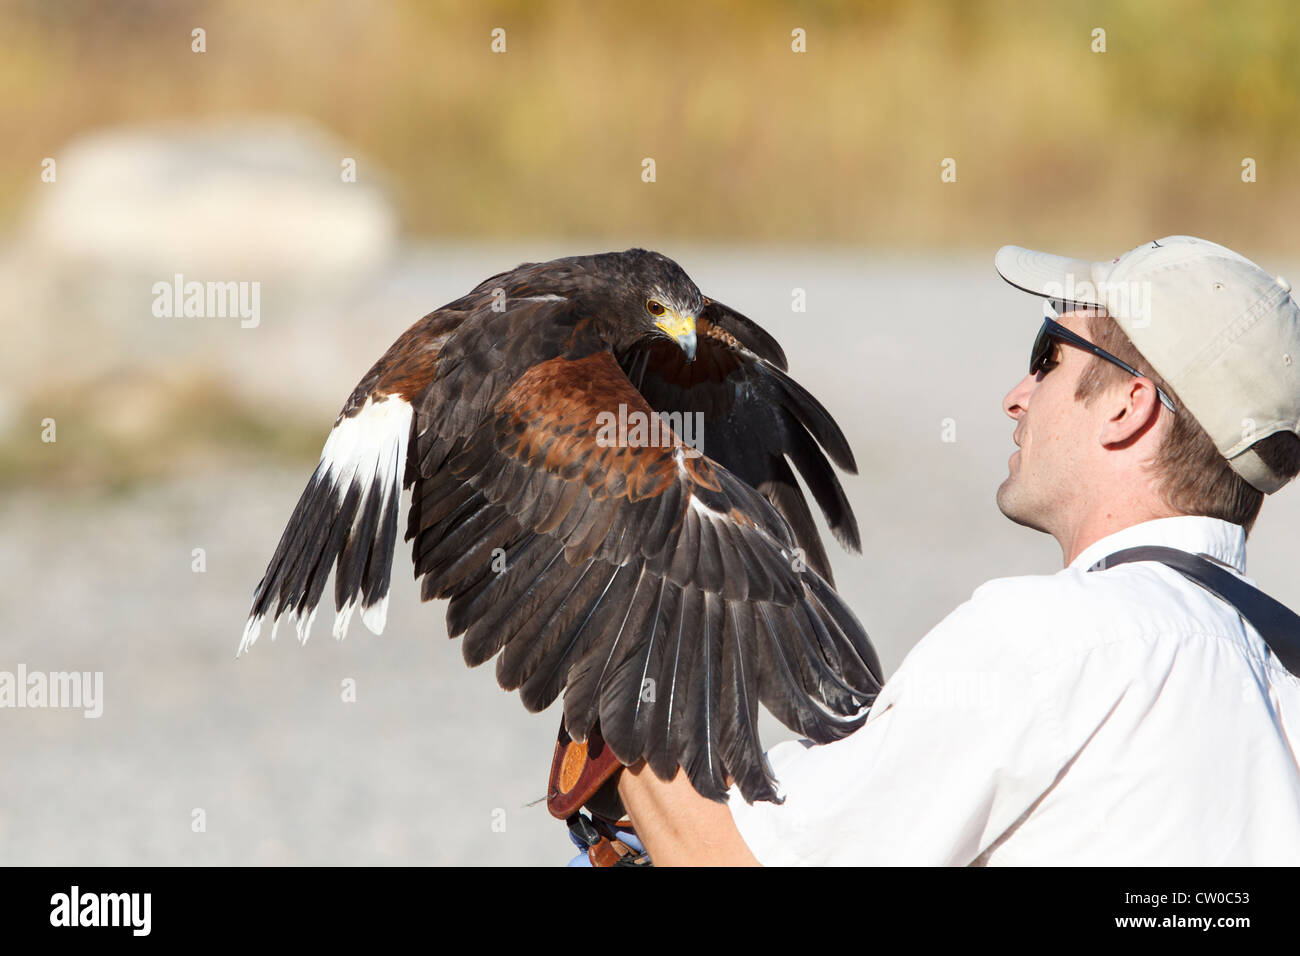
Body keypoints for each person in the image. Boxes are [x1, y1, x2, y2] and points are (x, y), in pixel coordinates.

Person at [614, 236, 1300, 865]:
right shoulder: (1283, 672)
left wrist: (596, 623)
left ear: (1129, 406)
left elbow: (738, 858)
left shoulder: (1061, 638)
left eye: (1048, 357)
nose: (1016, 396)